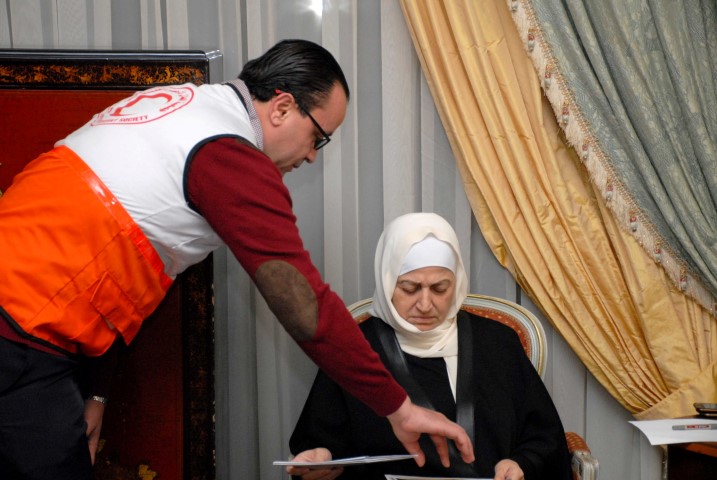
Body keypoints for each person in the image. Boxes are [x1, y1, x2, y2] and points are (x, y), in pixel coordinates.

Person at [0, 40, 473, 479]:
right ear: (282, 106)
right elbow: (302, 302)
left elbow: (117, 270)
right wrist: (399, 407)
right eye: (318, 138)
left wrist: (97, 392)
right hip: (23, 322)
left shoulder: (184, 102)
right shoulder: (230, 154)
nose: (312, 157)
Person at [288, 212, 573, 480]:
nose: (425, 305)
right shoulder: (354, 349)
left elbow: (544, 438)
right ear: (387, 282)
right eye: (409, 288)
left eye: (439, 289)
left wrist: (520, 463)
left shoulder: (498, 342)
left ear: (457, 284)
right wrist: (323, 458)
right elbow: (320, 443)